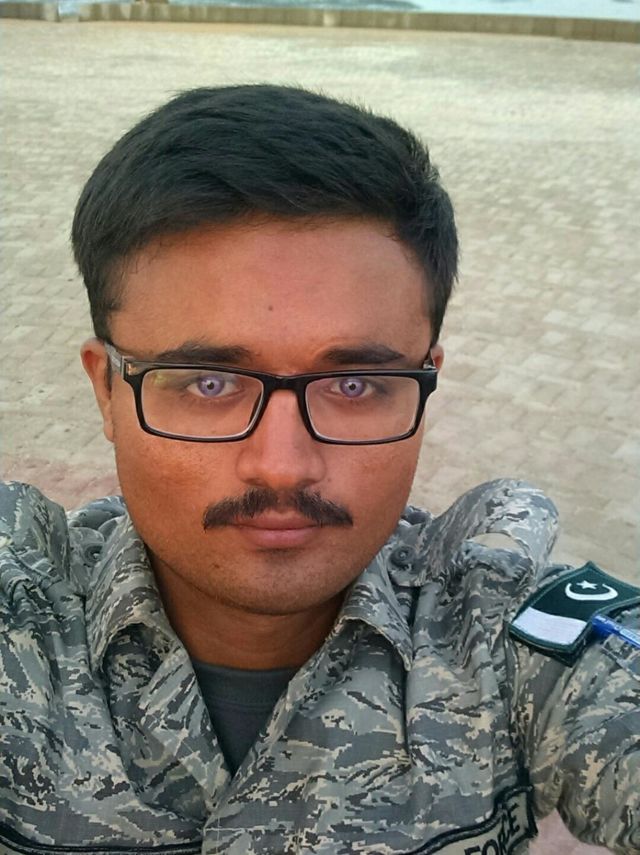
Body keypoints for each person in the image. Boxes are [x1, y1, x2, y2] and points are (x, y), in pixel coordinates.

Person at [0, 85, 637, 855]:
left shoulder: (507, 641)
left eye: (355, 384)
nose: (282, 465)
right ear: (107, 388)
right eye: (209, 382)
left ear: (426, 381)